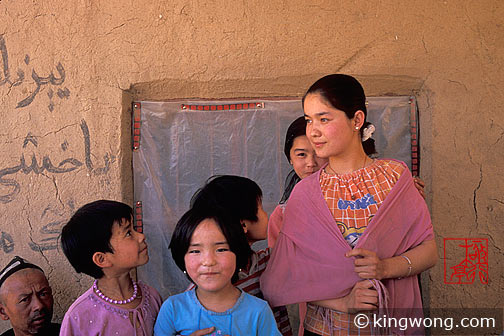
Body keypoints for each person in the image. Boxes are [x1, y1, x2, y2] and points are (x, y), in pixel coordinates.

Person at [261, 74, 438, 335]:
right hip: (324, 329)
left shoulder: (395, 177)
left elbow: (429, 251)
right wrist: (343, 302)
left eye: (324, 119)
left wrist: (385, 268)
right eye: (309, 120)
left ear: (356, 120)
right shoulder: (305, 193)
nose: (313, 131)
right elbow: (282, 281)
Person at [189, 175, 293, 336]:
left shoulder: (266, 261)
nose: (267, 214)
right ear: (243, 224)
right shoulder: (207, 286)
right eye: (261, 208)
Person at [154, 208, 281, 335]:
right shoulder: (172, 309)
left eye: (221, 249)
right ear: (182, 258)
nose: (209, 261)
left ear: (238, 253)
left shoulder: (258, 311)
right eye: (195, 251)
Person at [60, 200, 162, 335]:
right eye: (128, 233)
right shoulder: (79, 317)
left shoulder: (152, 297)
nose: (141, 236)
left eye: (134, 229)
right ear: (102, 259)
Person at [0, 256, 60, 336]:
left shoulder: (70, 332)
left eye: (43, 294)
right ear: (3, 312)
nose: (39, 306)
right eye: (25, 299)